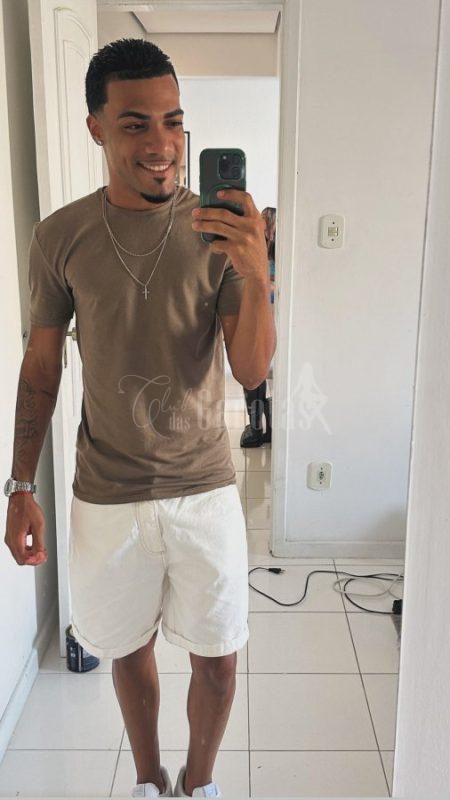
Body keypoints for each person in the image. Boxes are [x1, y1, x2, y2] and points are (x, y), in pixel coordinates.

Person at [3, 39, 276, 799]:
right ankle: (151, 780)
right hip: (106, 493)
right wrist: (19, 485)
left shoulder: (217, 232)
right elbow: (41, 368)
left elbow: (252, 371)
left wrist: (257, 271)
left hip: (205, 487)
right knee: (128, 650)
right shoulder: (60, 237)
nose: (162, 144)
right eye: (135, 124)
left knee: (219, 660)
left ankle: (200, 783)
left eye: (173, 121)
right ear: (95, 128)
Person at [240, 206, 276, 448]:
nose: (261, 225)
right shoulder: (257, 250)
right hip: (260, 318)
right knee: (256, 376)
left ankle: (260, 429)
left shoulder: (275, 254)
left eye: (265, 221)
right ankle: (258, 428)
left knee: (258, 376)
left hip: (270, 319)